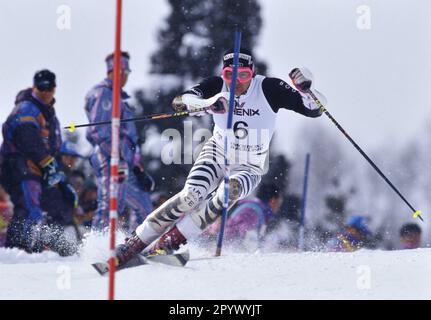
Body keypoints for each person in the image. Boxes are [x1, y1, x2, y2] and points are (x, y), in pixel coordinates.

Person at [113, 47, 326, 267]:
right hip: (217, 152)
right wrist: (209, 103)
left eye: (243, 75)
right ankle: (136, 241)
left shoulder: (269, 88)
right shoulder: (216, 85)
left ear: (252, 73)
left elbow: (315, 110)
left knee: (229, 192)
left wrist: (304, 90)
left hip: (250, 164)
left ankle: (167, 244)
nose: (236, 82)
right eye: (229, 75)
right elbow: (180, 101)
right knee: (191, 195)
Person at [0, 70, 78, 256]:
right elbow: (27, 139)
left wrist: (61, 180)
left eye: (48, 87)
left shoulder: (51, 117)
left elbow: (54, 150)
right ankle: (16, 251)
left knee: (60, 202)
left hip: (39, 169)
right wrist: (47, 163)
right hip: (19, 166)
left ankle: (56, 248)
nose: (45, 91)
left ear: (54, 88)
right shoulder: (26, 108)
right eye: (41, 87)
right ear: (34, 87)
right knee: (28, 207)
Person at [84, 52, 154, 233]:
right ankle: (99, 244)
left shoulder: (119, 98)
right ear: (111, 71)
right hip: (110, 157)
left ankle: (137, 243)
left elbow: (129, 136)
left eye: (126, 72)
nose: (124, 76)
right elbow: (99, 130)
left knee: (142, 201)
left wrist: (136, 165)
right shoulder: (104, 94)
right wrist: (117, 154)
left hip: (126, 161)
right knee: (111, 202)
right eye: (120, 71)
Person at [203, 183, 283, 248]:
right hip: (226, 249)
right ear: (273, 200)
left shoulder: (258, 210)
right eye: (279, 202)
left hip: (227, 247)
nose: (279, 206)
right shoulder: (252, 210)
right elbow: (245, 235)